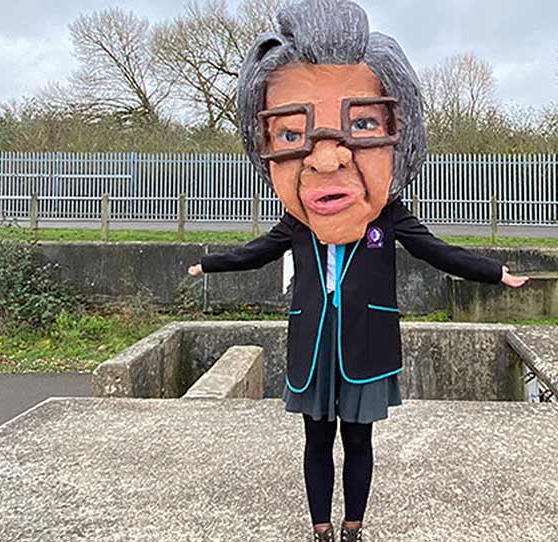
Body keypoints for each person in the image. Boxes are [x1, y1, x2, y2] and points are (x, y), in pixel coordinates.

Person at [187, 1, 529, 539]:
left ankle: (353, 525)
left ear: (402, 135)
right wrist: (208, 263)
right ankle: (320, 526)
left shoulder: (389, 218)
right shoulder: (297, 224)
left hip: (366, 348)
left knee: (360, 442)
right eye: (293, 135)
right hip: (313, 349)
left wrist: (495, 272)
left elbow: (440, 252)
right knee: (316, 442)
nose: (327, 159)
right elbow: (255, 251)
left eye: (363, 123)